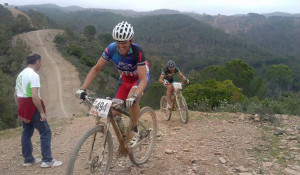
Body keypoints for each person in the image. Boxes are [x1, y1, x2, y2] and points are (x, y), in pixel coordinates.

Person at [75, 21, 150, 147]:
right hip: (125, 80)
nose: (121, 45)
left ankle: (135, 129)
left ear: (131, 40)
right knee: (115, 112)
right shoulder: (111, 49)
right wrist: (83, 89)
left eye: (124, 42)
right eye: (118, 41)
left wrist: (135, 97)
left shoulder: (137, 51)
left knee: (132, 98)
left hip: (139, 79)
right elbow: (96, 68)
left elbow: (143, 80)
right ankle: (124, 136)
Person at [14, 54, 62, 168]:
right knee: (45, 132)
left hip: (22, 106)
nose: (40, 64)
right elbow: (35, 96)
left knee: (26, 132)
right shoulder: (33, 75)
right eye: (40, 62)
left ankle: (28, 159)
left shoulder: (20, 75)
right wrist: (41, 112)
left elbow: (15, 94)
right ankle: (47, 160)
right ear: (36, 61)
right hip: (32, 106)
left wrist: (20, 108)